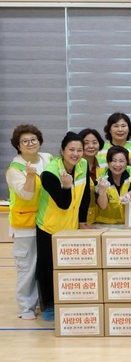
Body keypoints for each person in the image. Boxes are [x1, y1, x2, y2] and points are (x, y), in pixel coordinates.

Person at [36, 132, 93, 321]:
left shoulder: (83, 165)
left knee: (69, 267)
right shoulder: (50, 173)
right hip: (49, 227)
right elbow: (63, 203)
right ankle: (49, 305)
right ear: (62, 151)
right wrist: (66, 186)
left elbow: (85, 195)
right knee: (48, 268)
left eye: (79, 150)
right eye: (71, 150)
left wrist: (82, 222)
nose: (76, 154)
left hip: (71, 227)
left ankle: (69, 301)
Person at [5, 124, 53, 321]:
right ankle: (26, 307)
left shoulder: (48, 159)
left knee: (44, 266)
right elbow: (26, 194)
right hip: (25, 226)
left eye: (33, 139)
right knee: (27, 268)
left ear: (39, 141)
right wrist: (31, 176)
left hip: (47, 222)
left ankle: (44, 302)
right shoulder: (14, 169)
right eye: (24, 141)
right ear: (18, 146)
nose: (30, 143)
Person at [95, 146, 131, 224]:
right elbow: (102, 205)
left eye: (121, 161)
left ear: (127, 162)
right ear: (108, 163)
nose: (117, 165)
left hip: (129, 222)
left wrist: (128, 195)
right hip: (105, 223)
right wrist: (102, 192)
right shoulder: (101, 176)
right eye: (114, 161)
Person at [78, 128, 106, 223]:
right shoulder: (73, 165)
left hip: (100, 218)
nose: (91, 146)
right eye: (86, 143)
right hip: (77, 219)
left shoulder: (105, 164)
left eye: (94, 142)